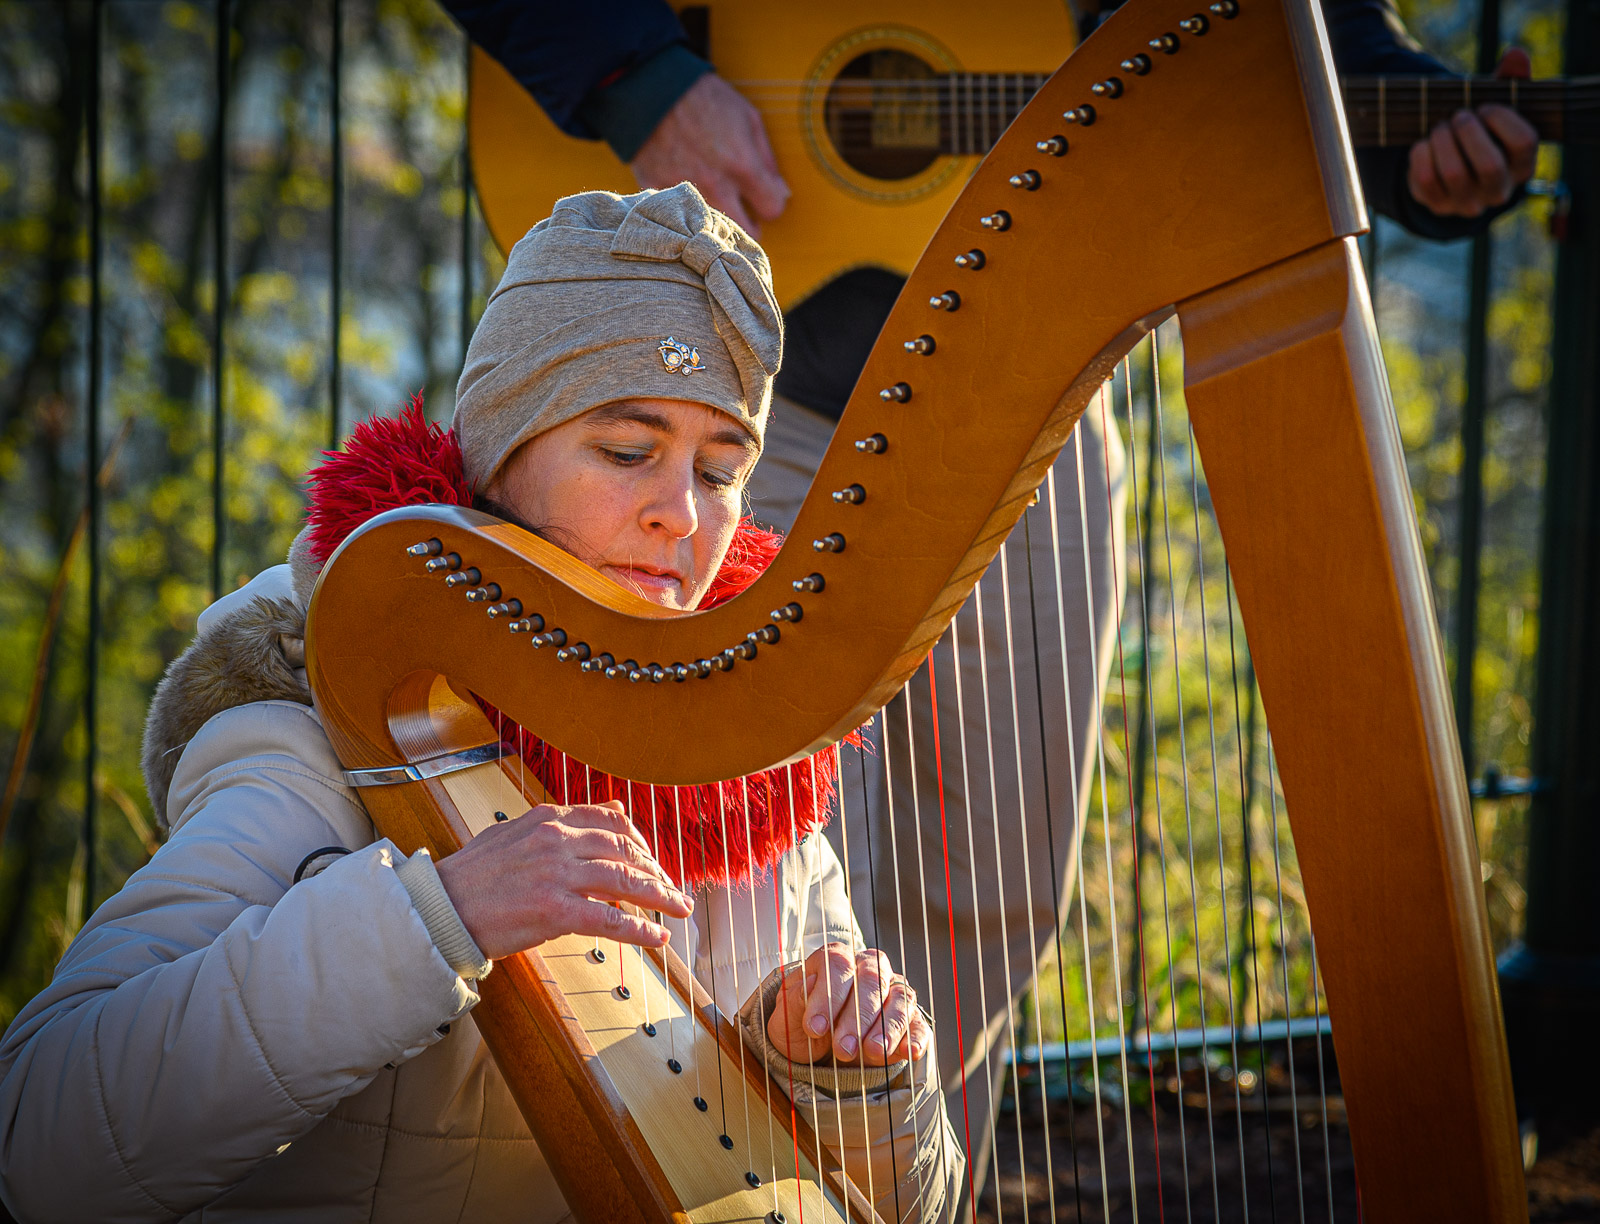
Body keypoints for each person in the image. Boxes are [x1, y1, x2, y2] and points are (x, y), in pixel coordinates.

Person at [434, 0, 1545, 1189]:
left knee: (999, 888)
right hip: (741, 416)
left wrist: (1397, 109)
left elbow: (1249, 29)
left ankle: (876, 1191)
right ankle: (697, 1183)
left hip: (1038, 381)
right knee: (764, 882)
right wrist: (635, 76)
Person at [0, 184, 963, 1223]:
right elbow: (38, 1146)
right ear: (496, 457)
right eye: (628, 451)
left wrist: (856, 1078)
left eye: (721, 470)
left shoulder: (743, 765)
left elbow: (923, 1206)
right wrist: (435, 920)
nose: (681, 514)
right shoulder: (323, 731)